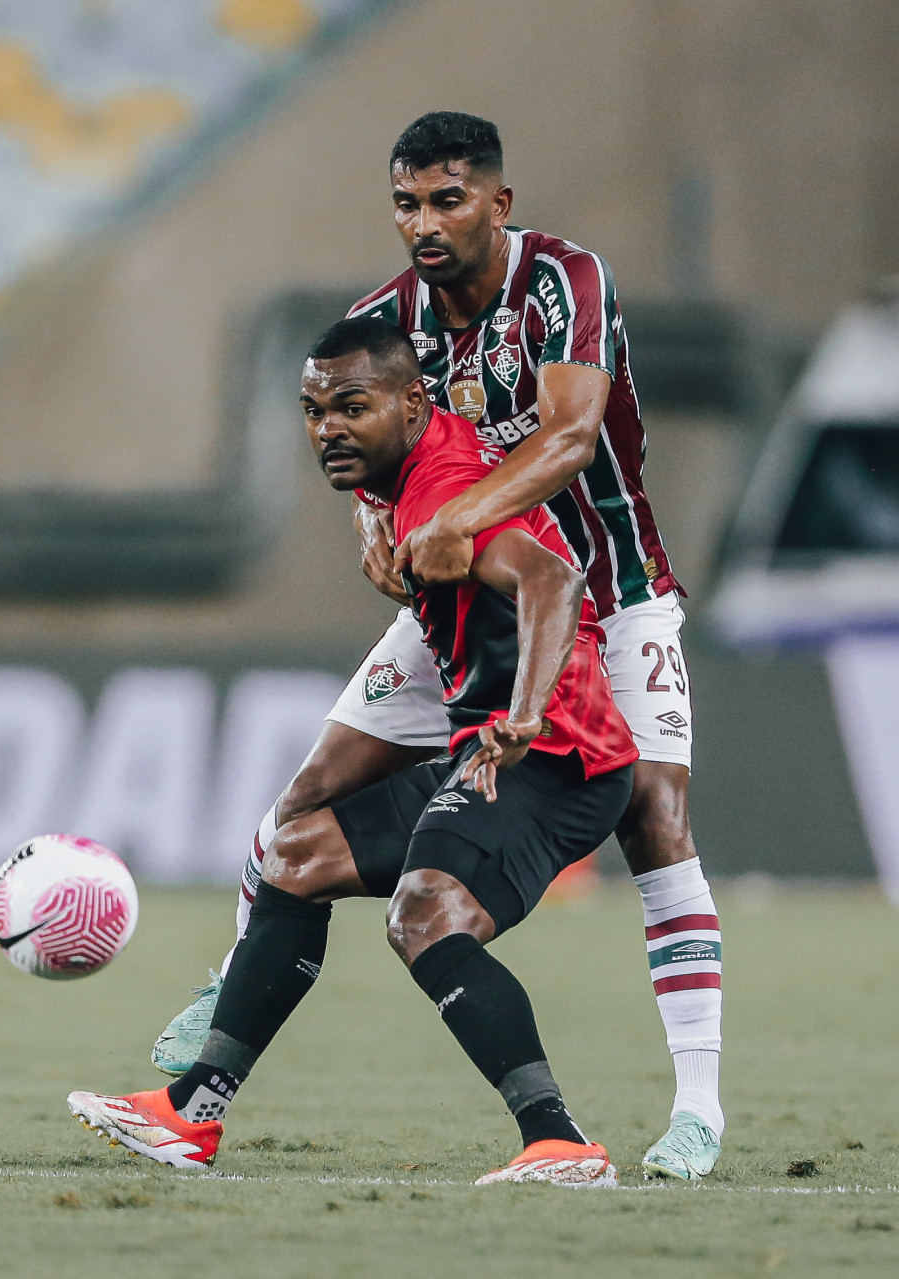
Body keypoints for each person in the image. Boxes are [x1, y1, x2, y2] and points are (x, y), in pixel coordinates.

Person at [151, 111, 723, 1181]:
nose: (425, 221)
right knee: (309, 791)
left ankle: (699, 1106)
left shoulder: (560, 283)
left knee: (656, 812)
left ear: (497, 204)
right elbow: (360, 440)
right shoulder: (387, 317)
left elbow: (567, 436)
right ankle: (231, 981)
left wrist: (452, 524)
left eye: (448, 199)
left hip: (607, 588)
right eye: (407, 201)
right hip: (466, 601)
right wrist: (378, 523)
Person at [71, 317, 635, 1185]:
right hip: (483, 750)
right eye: (311, 409)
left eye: (351, 407)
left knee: (423, 915)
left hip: (556, 758)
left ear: (412, 404)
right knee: (294, 853)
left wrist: (522, 717)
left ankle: (558, 1139)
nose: (327, 427)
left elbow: (553, 581)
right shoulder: (396, 472)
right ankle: (192, 1111)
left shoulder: (444, 488)